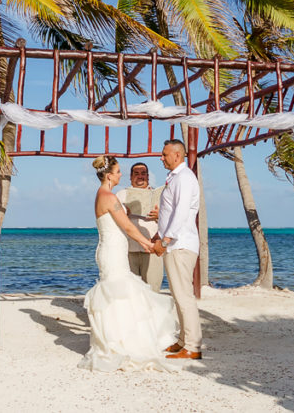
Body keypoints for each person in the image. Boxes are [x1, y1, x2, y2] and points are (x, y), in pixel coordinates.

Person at [79, 155, 179, 372]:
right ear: (108, 175)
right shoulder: (110, 197)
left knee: (119, 297)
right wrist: (148, 244)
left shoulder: (104, 194)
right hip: (112, 252)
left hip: (113, 249)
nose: (121, 174)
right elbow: (129, 227)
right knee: (119, 294)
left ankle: (119, 338)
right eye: (117, 172)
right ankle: (121, 342)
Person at [152, 139, 203, 360]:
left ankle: (192, 346)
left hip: (180, 244)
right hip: (175, 243)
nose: (161, 158)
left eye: (164, 154)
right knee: (178, 294)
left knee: (184, 297)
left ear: (177, 155)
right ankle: (184, 341)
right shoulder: (176, 177)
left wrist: (164, 241)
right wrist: (160, 232)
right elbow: (170, 212)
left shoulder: (183, 178)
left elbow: (181, 213)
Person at [115, 162, 165, 291]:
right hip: (129, 249)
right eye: (136, 174)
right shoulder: (121, 194)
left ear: (148, 177)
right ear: (131, 177)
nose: (140, 176)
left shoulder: (160, 196)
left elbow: (172, 221)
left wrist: (160, 215)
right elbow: (112, 218)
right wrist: (123, 212)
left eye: (143, 173)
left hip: (152, 248)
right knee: (131, 290)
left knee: (153, 289)